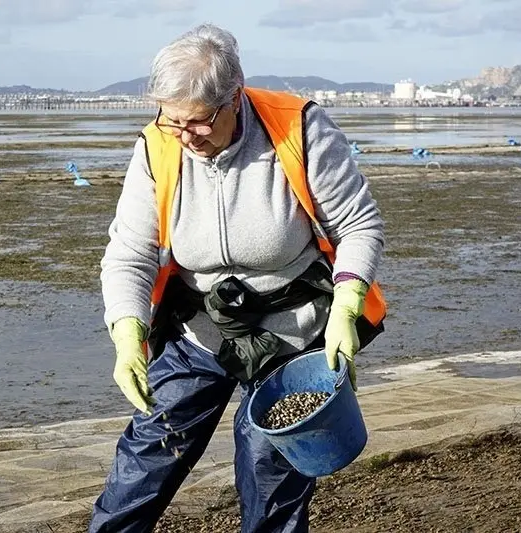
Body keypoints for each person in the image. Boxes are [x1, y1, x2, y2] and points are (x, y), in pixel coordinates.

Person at [89, 23, 386, 533]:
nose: (187, 136)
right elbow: (130, 253)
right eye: (172, 121)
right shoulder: (158, 147)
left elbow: (358, 224)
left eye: (200, 122)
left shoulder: (299, 128)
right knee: (142, 465)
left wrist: (346, 307)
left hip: (289, 337)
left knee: (271, 478)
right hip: (198, 333)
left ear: (235, 97)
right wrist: (126, 333)